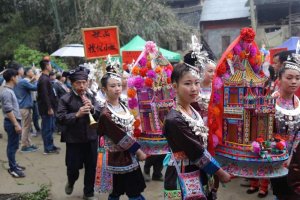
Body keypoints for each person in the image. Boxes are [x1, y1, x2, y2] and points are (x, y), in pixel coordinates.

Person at [163, 63, 231, 199]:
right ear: (175, 86)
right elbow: (195, 151)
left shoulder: (192, 109)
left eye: (197, 83)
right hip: (183, 172)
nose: (194, 88)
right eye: (188, 84)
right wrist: (220, 172)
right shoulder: (174, 119)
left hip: (199, 169)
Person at [98, 70, 147, 200]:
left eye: (119, 85)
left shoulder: (124, 105)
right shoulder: (105, 114)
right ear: (104, 89)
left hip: (129, 156)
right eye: (112, 86)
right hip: (116, 158)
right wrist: (139, 151)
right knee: (119, 192)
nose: (117, 89)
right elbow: (120, 137)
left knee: (133, 191)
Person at [56, 67, 100, 200]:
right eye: (78, 83)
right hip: (74, 139)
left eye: (84, 82)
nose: (82, 86)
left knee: (91, 167)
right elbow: (60, 118)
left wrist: (92, 109)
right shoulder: (65, 99)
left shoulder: (91, 96)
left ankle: (88, 193)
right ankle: (71, 181)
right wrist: (77, 114)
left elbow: (99, 113)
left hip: (91, 138)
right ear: (72, 83)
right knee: (73, 167)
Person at [270, 56, 300, 200]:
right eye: (289, 77)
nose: (294, 81)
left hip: (295, 159)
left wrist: (292, 156)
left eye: (297, 78)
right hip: (274, 156)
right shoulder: (271, 102)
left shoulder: (298, 103)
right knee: (281, 193)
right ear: (279, 79)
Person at [0, 69, 26, 178]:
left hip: (13, 121)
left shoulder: (10, 90)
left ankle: (14, 164)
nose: (19, 78)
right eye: (17, 76)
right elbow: (8, 110)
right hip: (11, 122)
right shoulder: (6, 92)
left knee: (14, 145)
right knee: (12, 146)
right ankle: (13, 168)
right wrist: (16, 124)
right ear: (12, 78)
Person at [14, 67, 39, 152]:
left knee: (27, 126)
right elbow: (35, 88)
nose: (33, 72)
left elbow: (28, 85)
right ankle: (24, 146)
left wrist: (32, 80)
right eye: (31, 71)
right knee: (26, 127)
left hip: (22, 106)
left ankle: (28, 144)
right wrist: (36, 80)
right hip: (24, 107)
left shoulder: (19, 81)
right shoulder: (23, 81)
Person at [37, 59, 59, 154]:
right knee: (47, 128)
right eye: (50, 65)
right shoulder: (43, 79)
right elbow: (44, 95)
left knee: (50, 128)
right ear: (46, 66)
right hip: (46, 109)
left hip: (50, 107)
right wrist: (49, 108)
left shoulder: (46, 78)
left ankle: (51, 145)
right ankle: (48, 148)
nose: (51, 67)